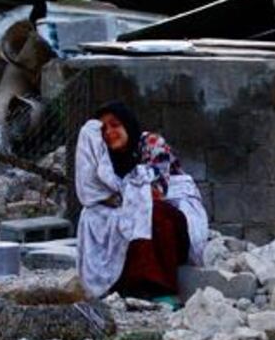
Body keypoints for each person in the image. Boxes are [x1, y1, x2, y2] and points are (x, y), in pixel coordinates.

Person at [75, 101, 208, 299]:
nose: (110, 132)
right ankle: (114, 283)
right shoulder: (105, 159)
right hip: (133, 208)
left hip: (172, 220)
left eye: (115, 125)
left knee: (149, 212)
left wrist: (126, 197)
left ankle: (159, 287)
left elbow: (156, 192)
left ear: (127, 124)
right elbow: (100, 195)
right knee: (93, 216)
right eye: (104, 129)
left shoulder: (151, 144)